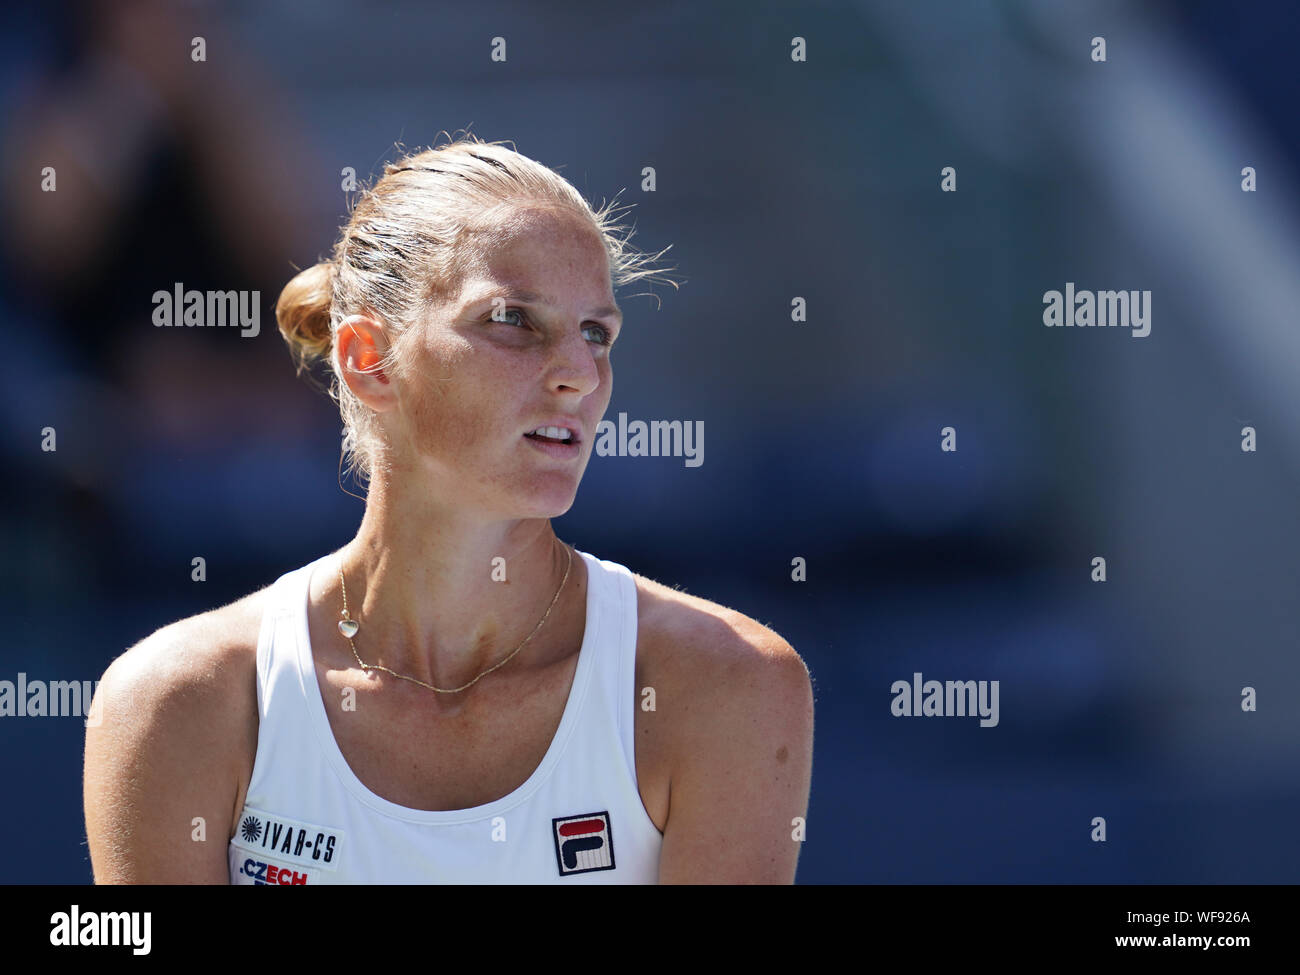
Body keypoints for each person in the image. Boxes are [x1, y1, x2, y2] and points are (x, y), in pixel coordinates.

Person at [83, 135, 814, 884]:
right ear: (368, 358)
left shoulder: (731, 685)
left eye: (597, 332)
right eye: (513, 319)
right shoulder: (174, 701)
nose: (579, 375)